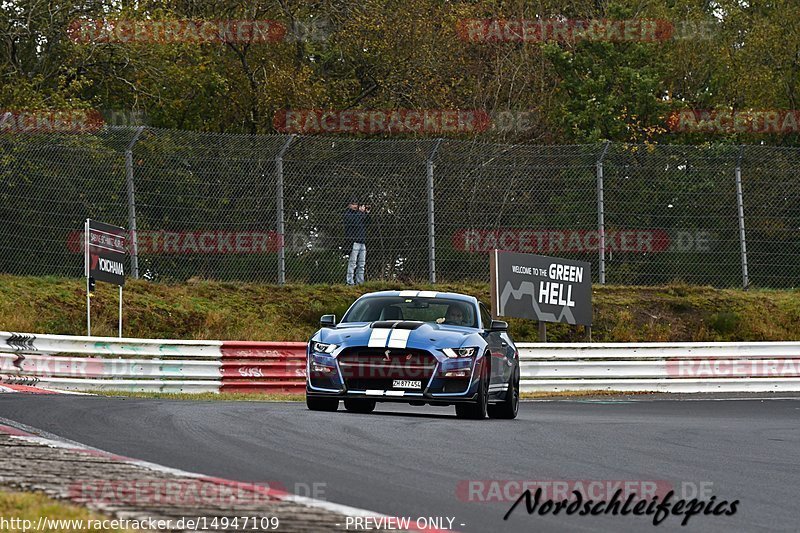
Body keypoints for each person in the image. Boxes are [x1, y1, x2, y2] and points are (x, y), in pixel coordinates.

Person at [344, 198, 369, 285]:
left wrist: (366, 213)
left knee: (361, 264)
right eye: (353, 204)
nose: (355, 206)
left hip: (362, 242)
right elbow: (355, 223)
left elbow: (367, 222)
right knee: (352, 263)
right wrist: (361, 213)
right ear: (349, 205)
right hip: (354, 242)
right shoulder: (348, 214)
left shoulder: (359, 214)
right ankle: (350, 282)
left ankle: (360, 282)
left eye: (356, 204)